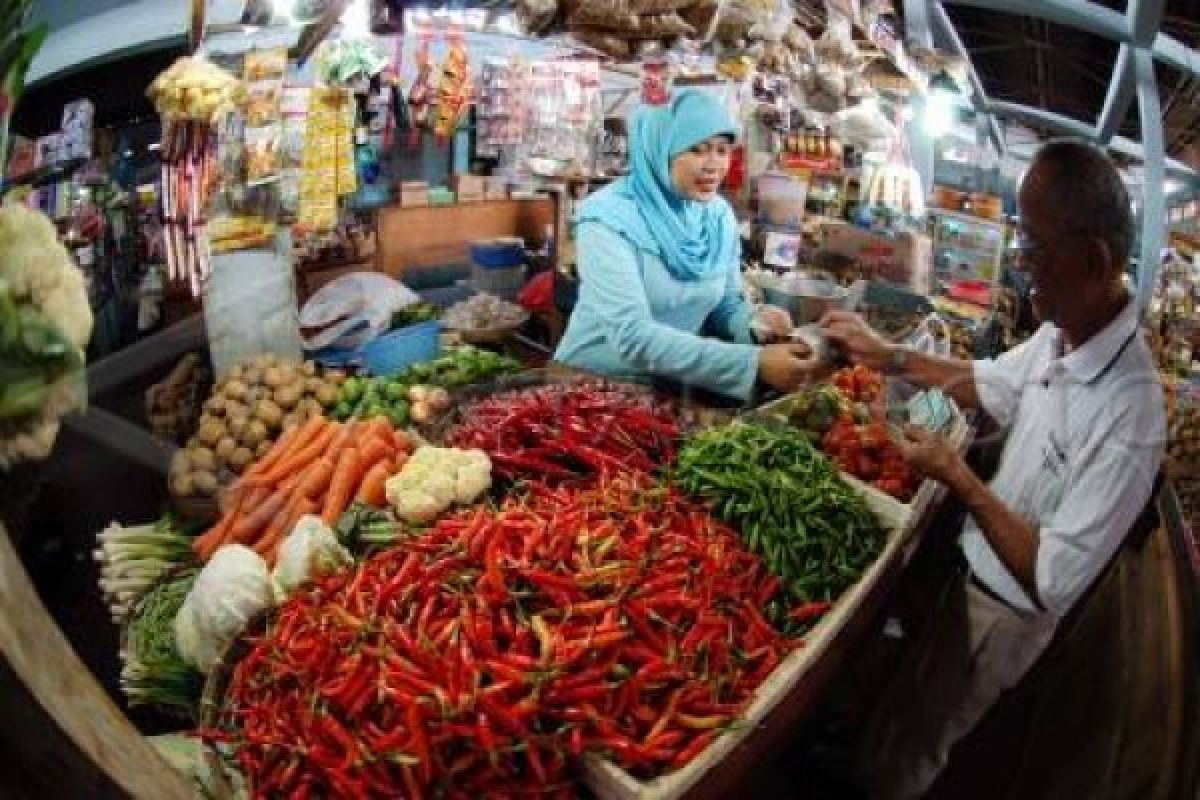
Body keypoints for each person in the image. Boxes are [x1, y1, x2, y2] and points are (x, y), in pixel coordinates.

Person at [820, 139, 1166, 798]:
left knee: (923, 738)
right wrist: (884, 353)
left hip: (1003, 615)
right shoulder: (1061, 335)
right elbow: (984, 382)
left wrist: (957, 475)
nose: (1020, 267)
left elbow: (1054, 580)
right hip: (968, 571)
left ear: (1091, 258)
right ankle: (862, 765)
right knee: (909, 697)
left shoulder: (1130, 417)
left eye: (1034, 249)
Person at [554, 90, 811, 401]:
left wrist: (753, 322)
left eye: (722, 150)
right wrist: (753, 363)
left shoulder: (717, 216)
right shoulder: (607, 219)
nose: (714, 165)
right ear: (660, 150)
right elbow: (633, 336)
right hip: (591, 386)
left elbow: (726, 303)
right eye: (697, 150)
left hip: (670, 384)